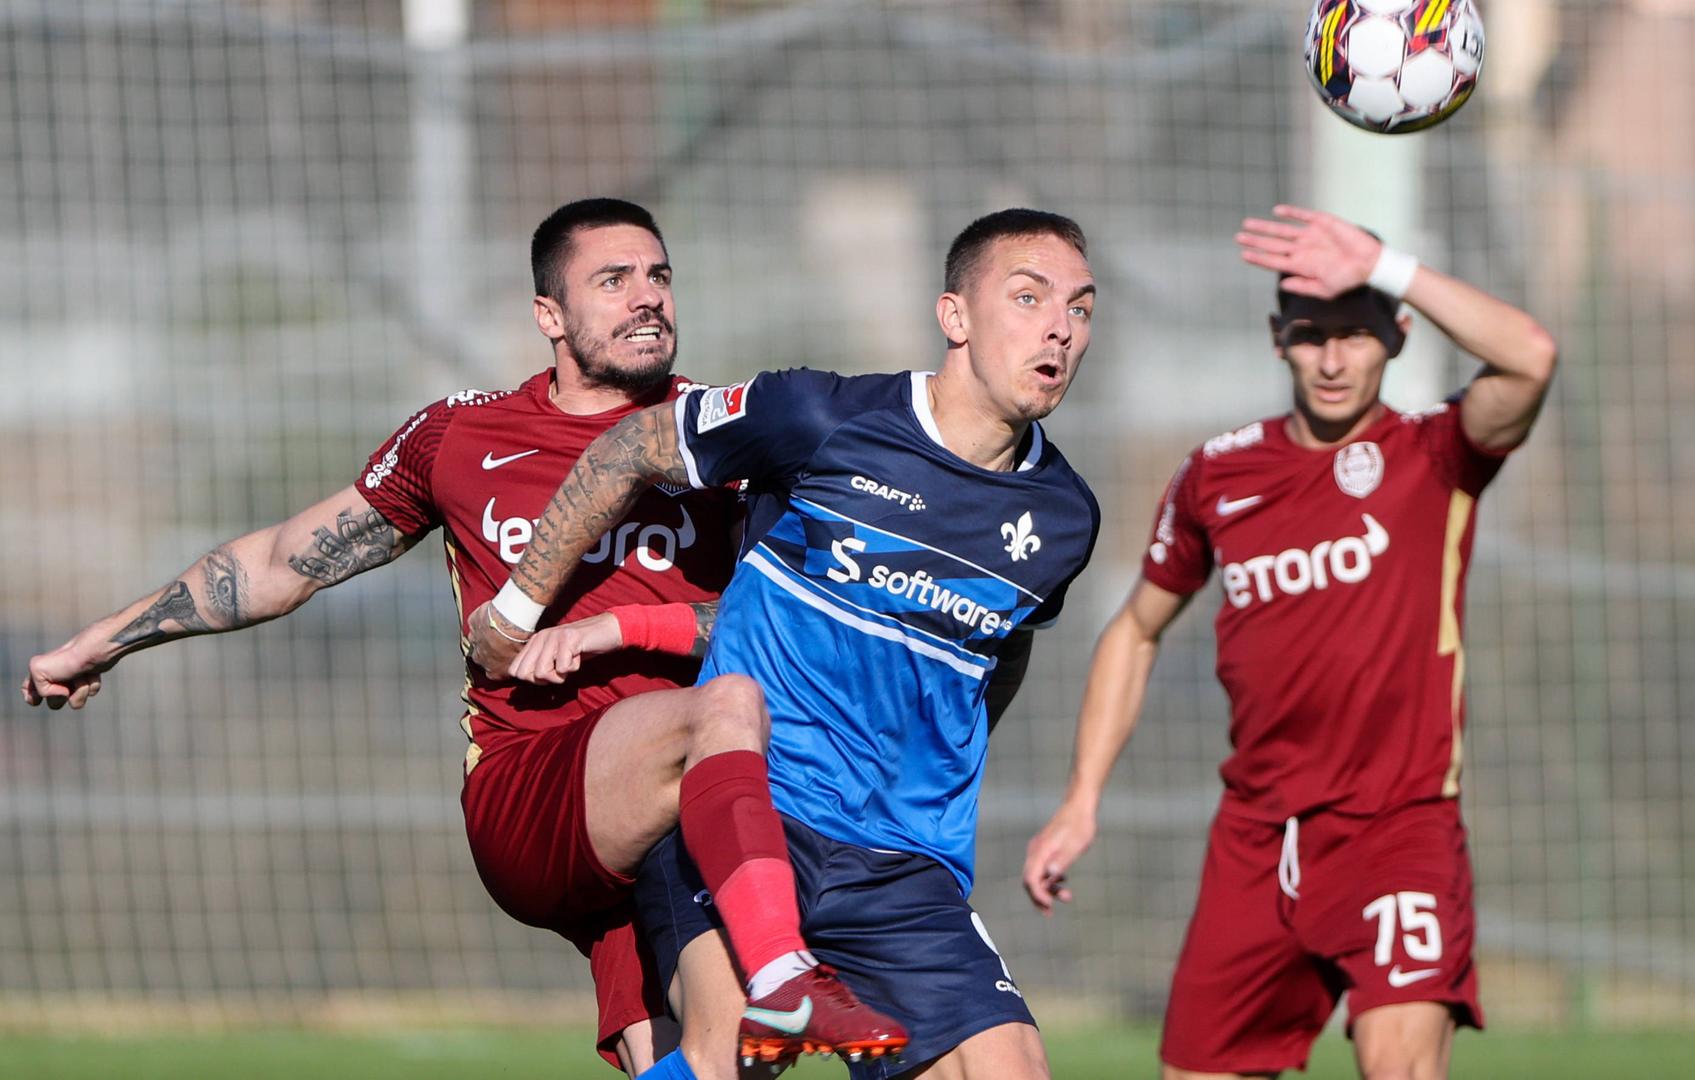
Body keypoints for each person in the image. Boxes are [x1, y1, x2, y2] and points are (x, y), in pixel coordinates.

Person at [21, 198, 901, 1078]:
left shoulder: (723, 442)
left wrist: (622, 627)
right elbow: (288, 558)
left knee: (722, 1061)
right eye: (613, 280)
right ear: (548, 317)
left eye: (659, 277)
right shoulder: (462, 435)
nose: (647, 298)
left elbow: (790, 624)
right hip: (532, 790)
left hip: (681, 807)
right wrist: (107, 638)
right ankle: (789, 967)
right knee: (727, 710)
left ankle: (765, 989)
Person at [466, 208, 1103, 1079]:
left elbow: (1004, 649)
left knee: (1013, 1070)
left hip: (903, 862)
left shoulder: (1065, 518)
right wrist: (516, 609)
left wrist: (937, 755)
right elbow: (630, 447)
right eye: (1028, 298)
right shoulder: (817, 416)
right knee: (727, 1061)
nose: (1059, 328)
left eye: (1080, 308)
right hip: (751, 815)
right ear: (953, 316)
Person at [1021, 205, 1557, 1080]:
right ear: (1279, 340)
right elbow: (1135, 629)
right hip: (1257, 841)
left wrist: (1391, 264)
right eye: (1312, 336)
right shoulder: (1219, 475)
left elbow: (1531, 354)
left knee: (1401, 1061)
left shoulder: (1436, 455)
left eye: (1357, 333)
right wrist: (1082, 799)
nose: (1335, 358)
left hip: (1398, 829)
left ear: (1398, 334)